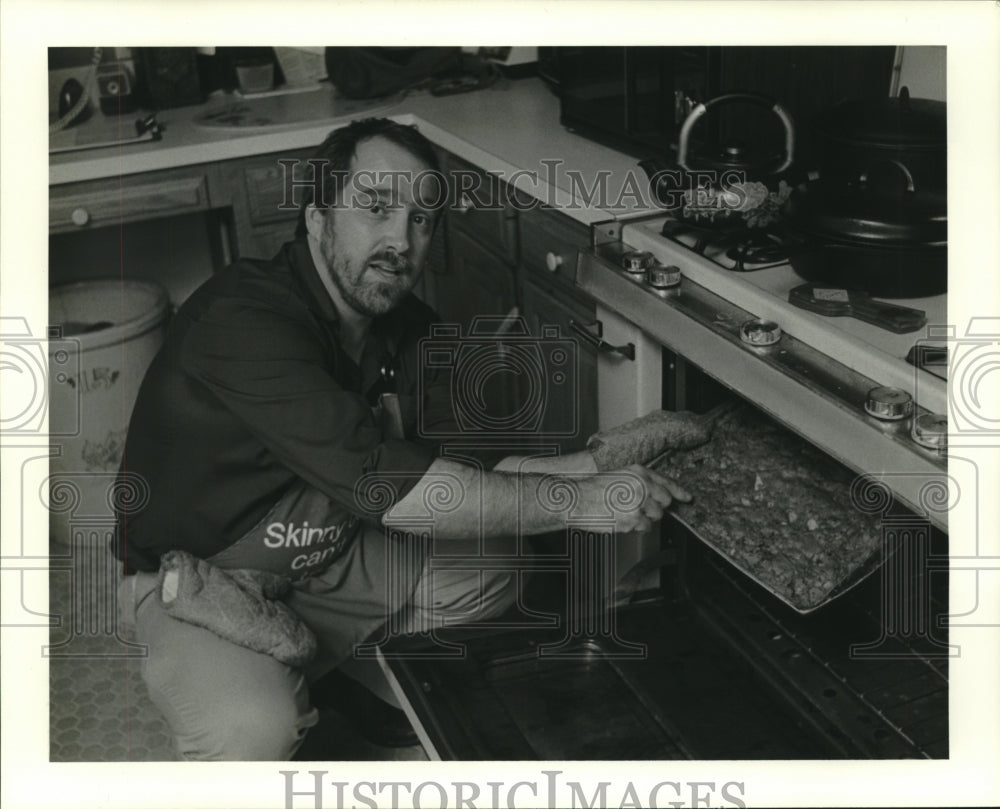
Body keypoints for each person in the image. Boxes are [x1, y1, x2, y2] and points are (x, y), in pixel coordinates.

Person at [114, 117, 686, 761]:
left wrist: (594, 463)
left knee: (498, 563)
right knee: (252, 728)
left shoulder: (408, 328)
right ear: (317, 217)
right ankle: (263, 683)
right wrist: (581, 502)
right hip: (204, 580)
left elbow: (468, 469)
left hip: (325, 554)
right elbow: (393, 488)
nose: (400, 240)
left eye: (420, 219)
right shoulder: (244, 320)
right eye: (376, 207)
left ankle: (349, 677)